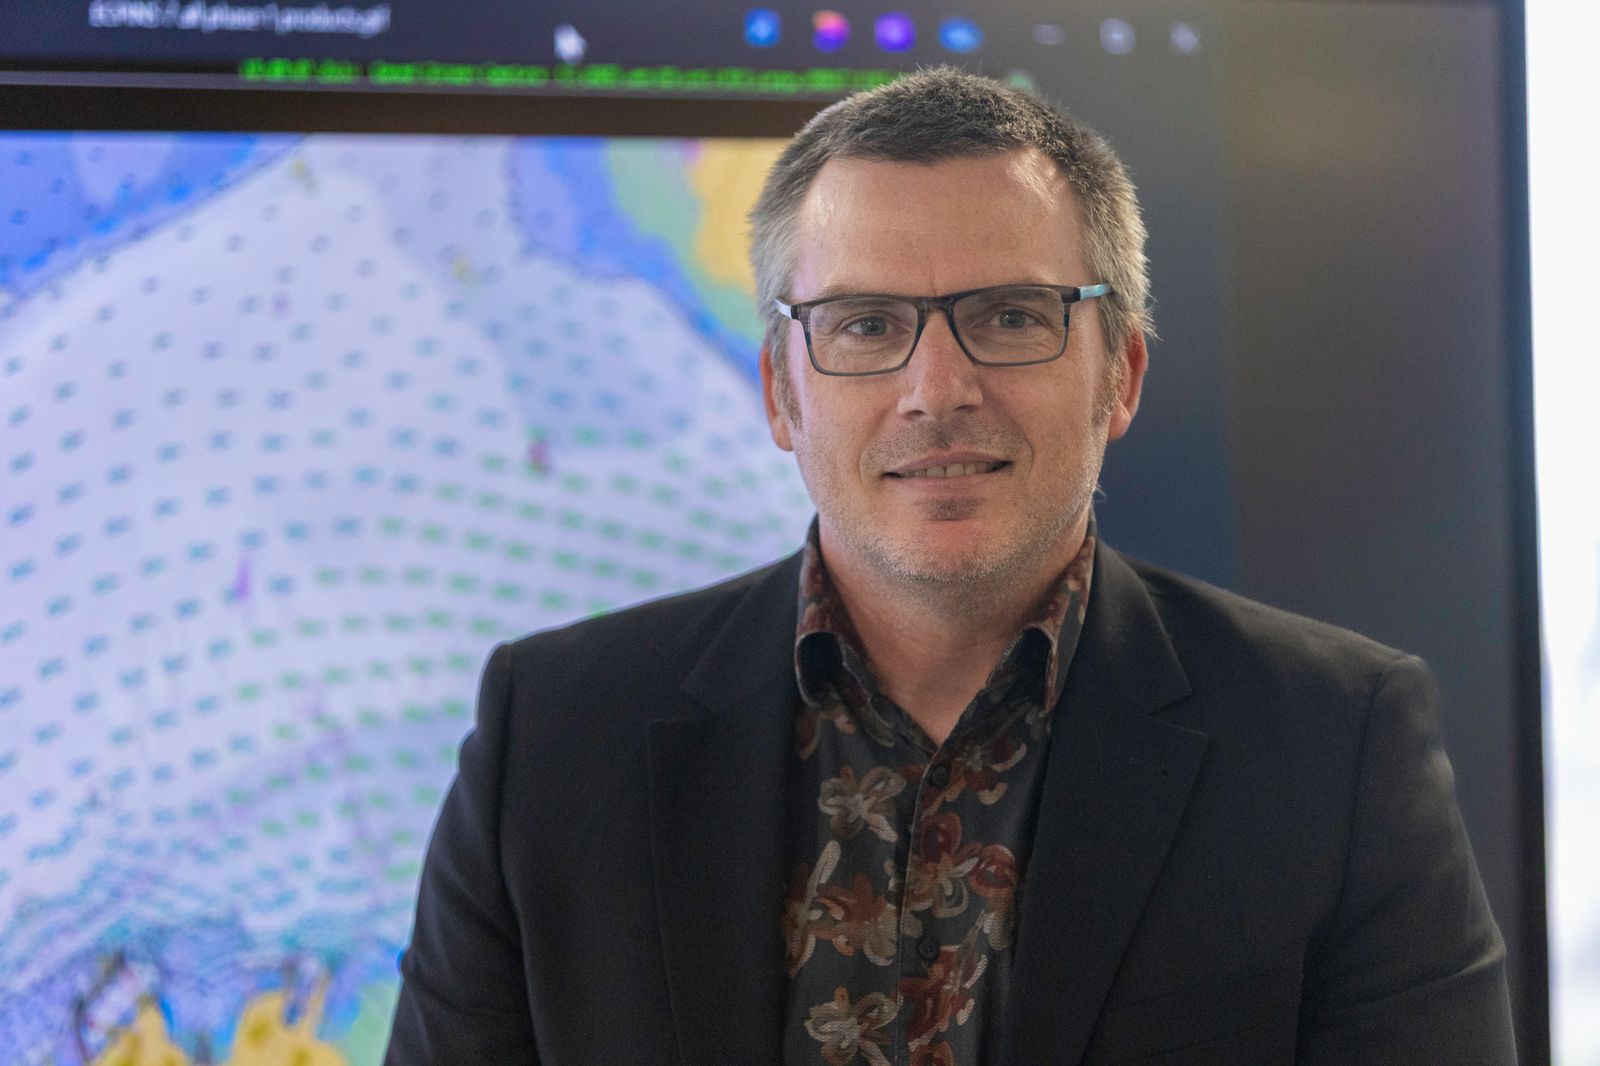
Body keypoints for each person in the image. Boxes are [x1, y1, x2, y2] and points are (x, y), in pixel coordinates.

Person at [384, 68, 1516, 1065]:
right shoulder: (552, 736)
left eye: (1011, 316)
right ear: (781, 393)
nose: (936, 390)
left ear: (1120, 375)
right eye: (866, 324)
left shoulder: (1333, 742)